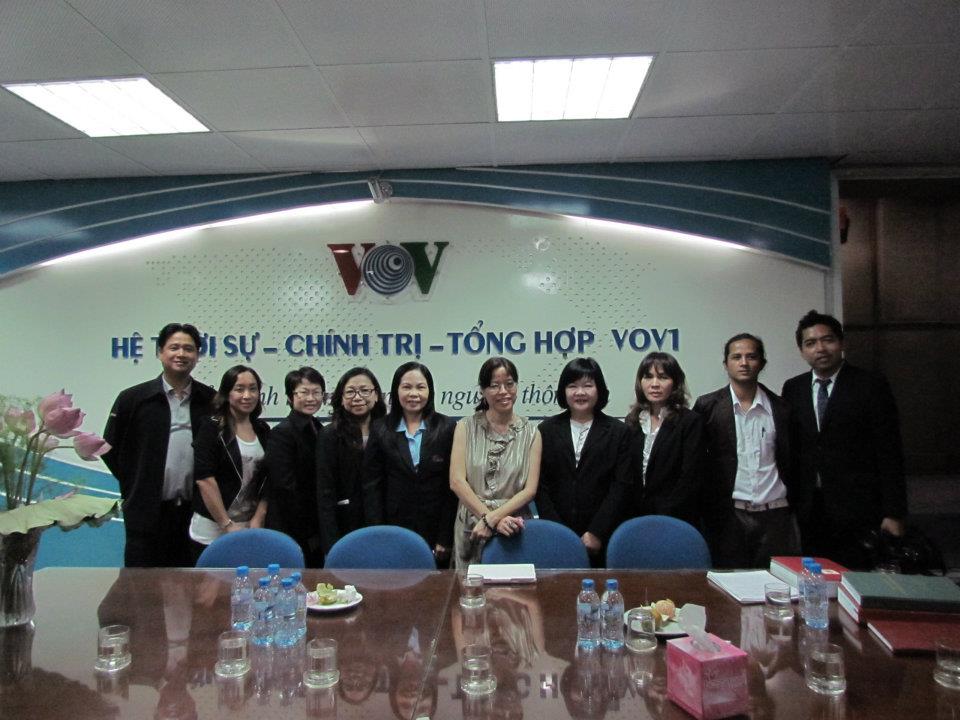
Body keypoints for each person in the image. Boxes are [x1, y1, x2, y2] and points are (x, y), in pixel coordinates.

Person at [781, 310, 907, 569]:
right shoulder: (793, 388)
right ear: (802, 351)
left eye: (827, 340)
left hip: (860, 509)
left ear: (841, 343)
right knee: (816, 578)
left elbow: (890, 451)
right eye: (810, 343)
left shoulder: (870, 385)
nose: (820, 348)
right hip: (811, 508)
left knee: (857, 579)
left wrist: (894, 512)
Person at [102, 323, 215, 567]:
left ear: (197, 355)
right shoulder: (133, 399)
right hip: (146, 516)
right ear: (159, 352)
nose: (181, 354)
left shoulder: (210, 401)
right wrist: (137, 483)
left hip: (194, 516)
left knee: (192, 585)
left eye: (189, 349)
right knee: (141, 585)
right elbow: (109, 449)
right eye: (174, 347)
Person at [694, 334, 799, 568]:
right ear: (726, 364)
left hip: (776, 516)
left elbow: (794, 460)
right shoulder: (707, 407)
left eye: (751, 357)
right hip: (730, 516)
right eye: (736, 357)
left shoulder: (781, 408)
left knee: (775, 583)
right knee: (728, 582)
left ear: (762, 363)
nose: (744, 363)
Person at [535, 357, 632, 566]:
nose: (580, 392)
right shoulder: (546, 430)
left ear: (599, 390)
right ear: (563, 391)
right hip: (556, 537)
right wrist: (558, 532)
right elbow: (540, 486)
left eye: (588, 385)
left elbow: (621, 486)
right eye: (572, 386)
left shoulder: (619, 432)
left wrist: (597, 532)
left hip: (602, 539)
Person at [450, 357, 542, 569]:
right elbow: (456, 481)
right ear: (483, 390)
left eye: (509, 384)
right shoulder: (465, 427)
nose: (503, 391)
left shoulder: (532, 433)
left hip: (515, 525)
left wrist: (492, 520)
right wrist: (488, 518)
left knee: (515, 588)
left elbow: (530, 490)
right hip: (473, 523)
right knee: (470, 586)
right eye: (494, 385)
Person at [363, 362, 458, 566]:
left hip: (435, 529)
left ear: (430, 391)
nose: (413, 394)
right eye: (406, 387)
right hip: (394, 527)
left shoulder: (447, 427)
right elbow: (372, 487)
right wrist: (379, 532)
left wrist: (445, 537)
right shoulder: (380, 428)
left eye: (420, 387)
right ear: (396, 390)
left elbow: (451, 490)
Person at [189, 365, 271, 554]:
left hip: (250, 525)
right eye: (239, 389)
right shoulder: (211, 428)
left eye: (253, 389)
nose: (247, 395)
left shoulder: (262, 430)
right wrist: (226, 524)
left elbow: (269, 478)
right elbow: (205, 480)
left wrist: (259, 516)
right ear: (226, 393)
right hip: (212, 529)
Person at [624, 352, 705, 527]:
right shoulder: (633, 421)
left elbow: (689, 478)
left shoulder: (690, 421)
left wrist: (664, 516)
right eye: (648, 377)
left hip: (675, 518)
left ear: (675, 383)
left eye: (662, 377)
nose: (654, 384)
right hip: (635, 518)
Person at [316, 367, 386, 557]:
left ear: (376, 395)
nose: (358, 397)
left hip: (383, 523)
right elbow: (325, 494)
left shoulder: (387, 432)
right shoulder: (329, 435)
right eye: (350, 392)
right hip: (344, 526)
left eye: (365, 390)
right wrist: (330, 545)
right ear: (340, 398)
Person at [264, 366, 326, 567]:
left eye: (316, 392)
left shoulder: (318, 428)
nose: (311, 398)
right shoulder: (282, 433)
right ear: (290, 397)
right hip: (291, 525)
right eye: (303, 392)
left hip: (313, 524)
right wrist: (309, 528)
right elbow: (285, 487)